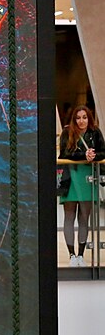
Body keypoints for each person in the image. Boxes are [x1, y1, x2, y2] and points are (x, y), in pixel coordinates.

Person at [58, 105, 105, 267]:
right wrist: (83, 155)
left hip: (88, 178)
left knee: (84, 218)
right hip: (70, 178)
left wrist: (93, 155)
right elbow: (64, 153)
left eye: (84, 117)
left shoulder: (95, 132)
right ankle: (71, 255)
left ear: (89, 118)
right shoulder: (67, 132)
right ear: (74, 119)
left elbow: (103, 152)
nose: (81, 121)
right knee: (69, 217)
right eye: (78, 118)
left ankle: (81, 255)